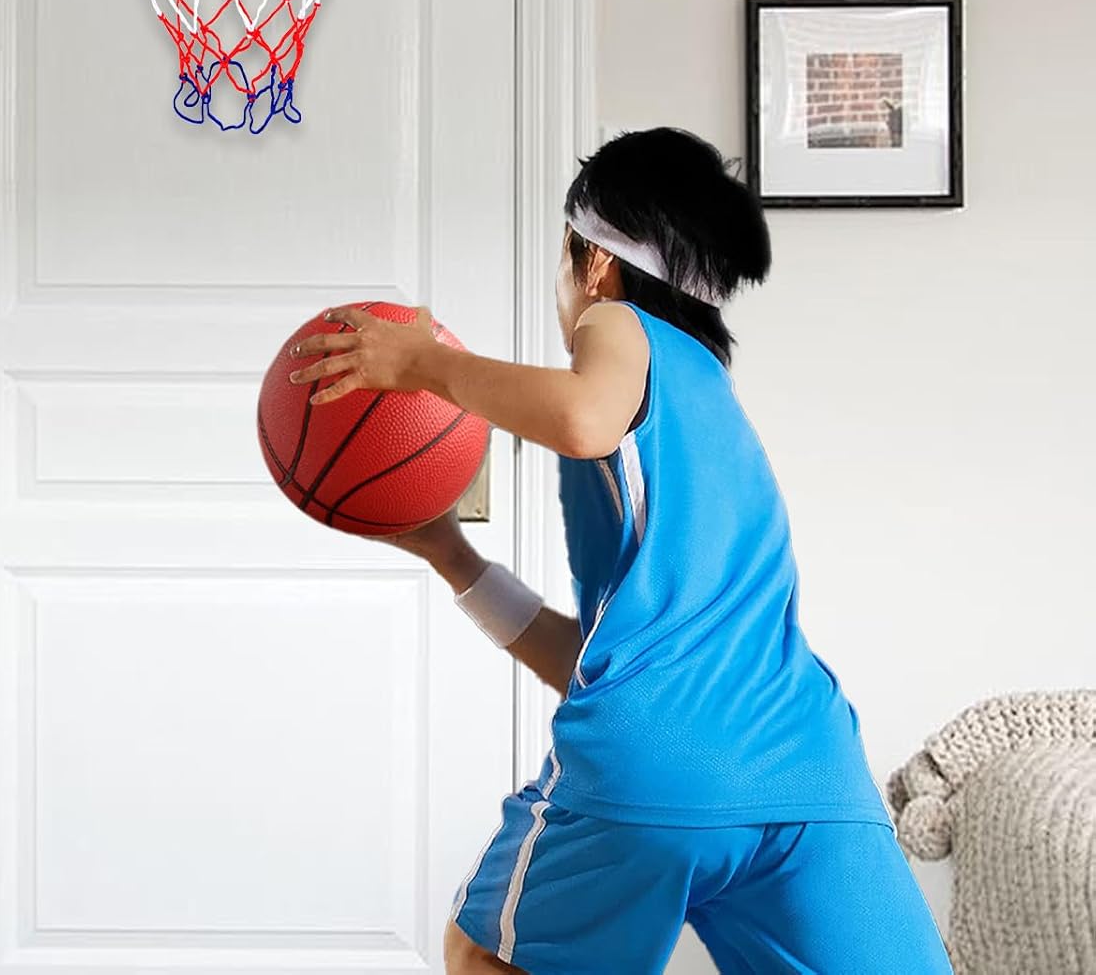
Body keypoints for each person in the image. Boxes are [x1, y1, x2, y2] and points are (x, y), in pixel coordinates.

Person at [287, 128, 950, 975]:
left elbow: (580, 416)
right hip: (809, 773)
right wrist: (452, 556)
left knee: (486, 953)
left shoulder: (617, 321)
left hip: (659, 765)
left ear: (594, 260)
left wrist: (425, 364)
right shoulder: (710, 400)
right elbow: (609, 665)